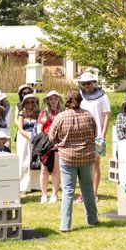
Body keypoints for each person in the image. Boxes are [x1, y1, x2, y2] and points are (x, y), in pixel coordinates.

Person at [49, 90, 98, 232]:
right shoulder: (88, 115)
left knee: (68, 191)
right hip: (87, 157)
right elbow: (95, 133)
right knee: (88, 189)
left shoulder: (61, 117)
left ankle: (65, 225)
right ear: (80, 100)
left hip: (67, 157)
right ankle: (92, 220)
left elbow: (51, 137)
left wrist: (60, 142)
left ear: (67, 101)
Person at [78, 72, 110, 201]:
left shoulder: (103, 96)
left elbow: (107, 115)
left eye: (89, 83)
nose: (87, 86)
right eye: (84, 84)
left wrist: (103, 134)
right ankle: (83, 193)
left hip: (98, 135)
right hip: (83, 135)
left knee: (96, 164)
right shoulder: (81, 96)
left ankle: (94, 193)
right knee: (82, 165)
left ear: (93, 83)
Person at [36, 90, 62, 203]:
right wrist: (46, 143)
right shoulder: (44, 113)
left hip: (58, 144)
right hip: (46, 144)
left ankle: (54, 194)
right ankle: (44, 194)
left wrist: (57, 144)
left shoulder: (62, 113)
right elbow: (39, 130)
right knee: (44, 170)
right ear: (48, 101)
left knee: (56, 170)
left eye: (55, 98)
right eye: (51, 99)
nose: (54, 101)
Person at [15, 92, 39, 194]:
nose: (30, 104)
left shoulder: (38, 113)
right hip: (23, 138)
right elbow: (20, 127)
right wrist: (29, 136)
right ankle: (23, 186)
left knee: (35, 161)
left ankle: (35, 185)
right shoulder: (22, 112)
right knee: (23, 161)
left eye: (32, 102)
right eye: (27, 102)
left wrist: (35, 138)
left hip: (35, 137)